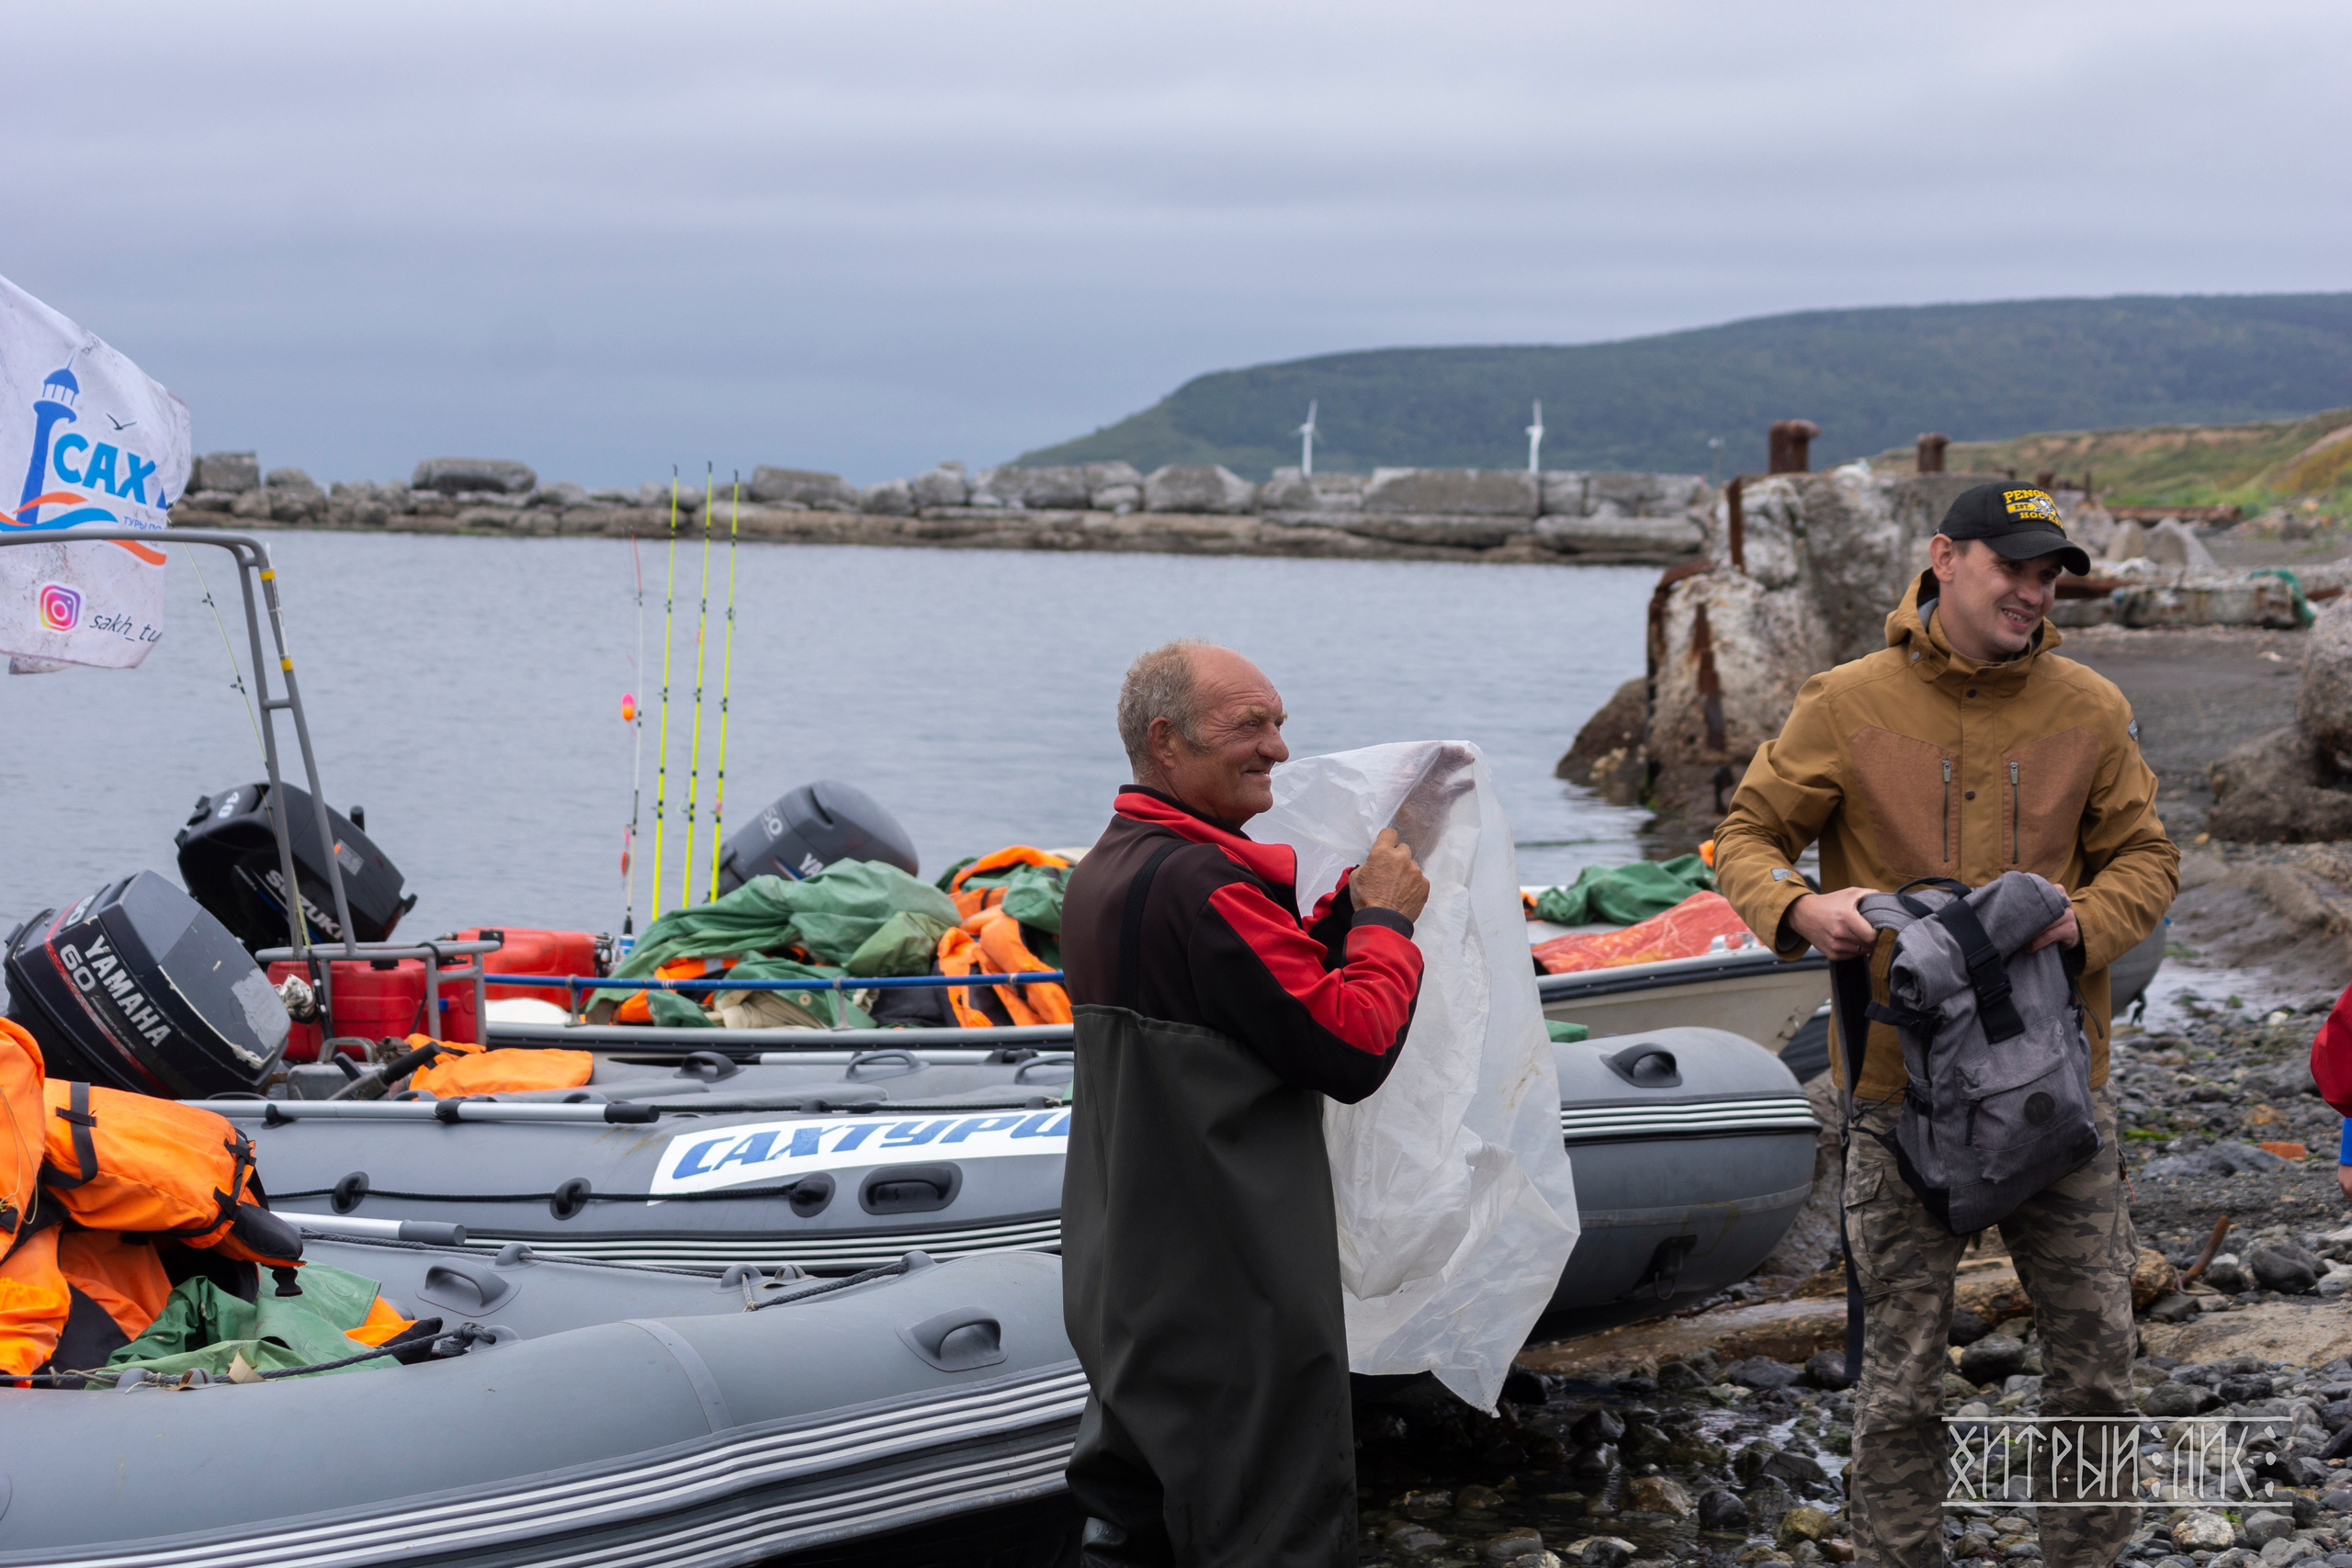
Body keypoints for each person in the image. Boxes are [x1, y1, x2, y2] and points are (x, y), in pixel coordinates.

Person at [1712, 483, 2178, 1567]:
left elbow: (2147, 858)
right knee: (1897, 1385)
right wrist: (1799, 909)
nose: (2032, 590)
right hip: (1896, 1101)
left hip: (2058, 1096)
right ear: (1944, 557)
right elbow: (1745, 835)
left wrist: (2080, 924)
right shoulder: (1842, 703)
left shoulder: (2091, 708)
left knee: (2098, 1370)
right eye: (2012, 566)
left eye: (2048, 574)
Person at [1057, 639, 1429, 1568]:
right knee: (1268, 1526)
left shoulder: (1107, 870)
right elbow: (1352, 1045)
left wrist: (1345, 913)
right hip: (1235, 1286)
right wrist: (1388, 925)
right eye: (1248, 725)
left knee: (1140, 1513)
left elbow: (1254, 997)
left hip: (1127, 1280)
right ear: (1165, 741)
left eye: (1279, 724)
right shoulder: (1204, 886)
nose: (1277, 748)